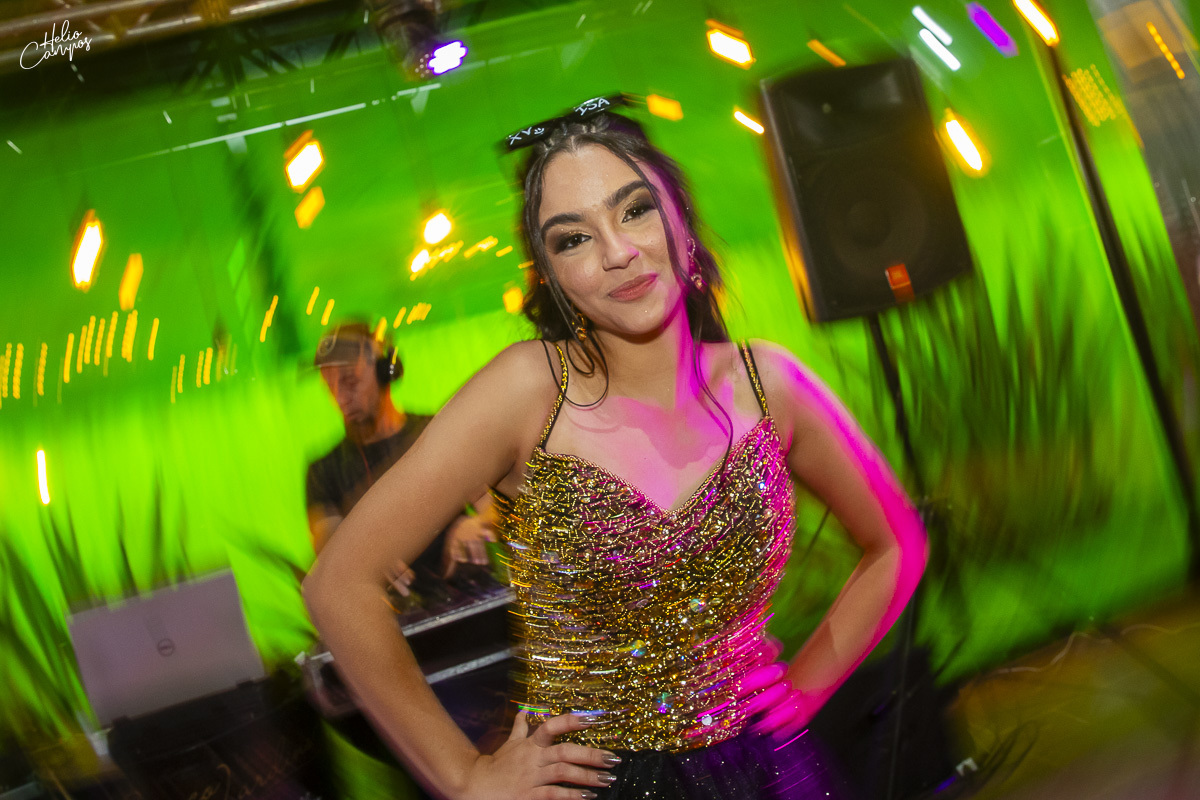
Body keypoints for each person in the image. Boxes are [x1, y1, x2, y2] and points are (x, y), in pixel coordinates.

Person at [303, 99, 927, 800]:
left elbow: (896, 543)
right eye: (573, 239)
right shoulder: (527, 392)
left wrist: (803, 692)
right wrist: (464, 776)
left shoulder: (770, 384)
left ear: (682, 222)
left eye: (635, 210)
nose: (616, 252)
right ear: (550, 276)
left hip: (767, 773)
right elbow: (338, 586)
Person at [306, 321, 495, 583]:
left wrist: (478, 525)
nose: (340, 397)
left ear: (385, 371)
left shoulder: (440, 432)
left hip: (469, 593)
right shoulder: (323, 471)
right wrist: (365, 568)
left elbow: (495, 506)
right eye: (330, 386)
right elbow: (330, 556)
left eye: (350, 381)